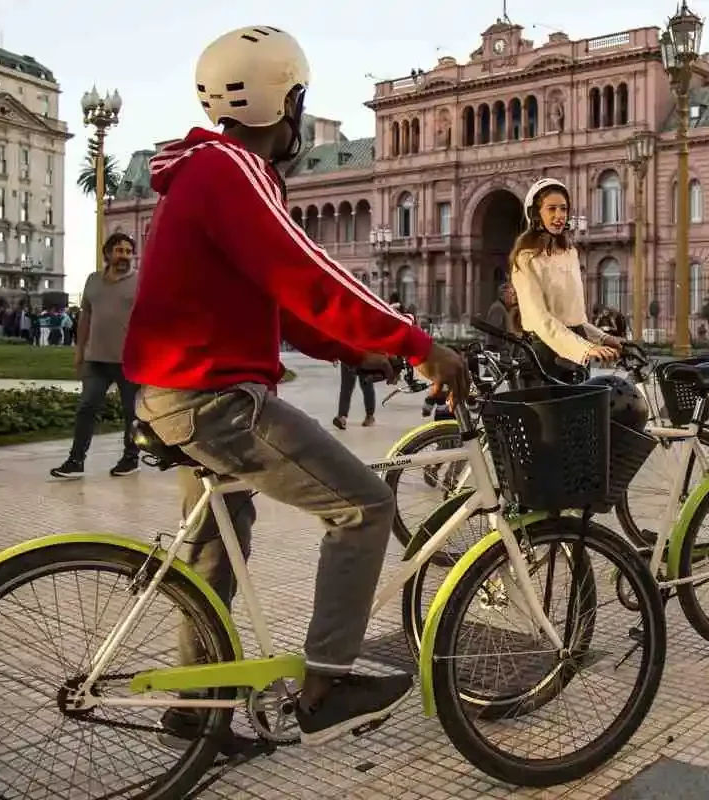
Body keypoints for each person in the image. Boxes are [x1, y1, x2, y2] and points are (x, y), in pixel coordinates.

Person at [121, 24, 466, 746]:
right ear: (288, 99)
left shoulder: (209, 169)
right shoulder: (229, 169)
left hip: (176, 393)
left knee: (218, 548)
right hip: (213, 401)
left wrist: (360, 353)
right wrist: (418, 343)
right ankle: (329, 680)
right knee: (365, 507)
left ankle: (197, 714)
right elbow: (305, 273)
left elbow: (284, 307)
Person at [50, 233, 143, 479]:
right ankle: (75, 460)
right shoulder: (92, 281)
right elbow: (86, 318)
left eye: (128, 251)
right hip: (96, 359)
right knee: (86, 407)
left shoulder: (140, 281)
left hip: (129, 361)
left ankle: (131, 458)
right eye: (119, 250)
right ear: (108, 254)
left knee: (131, 412)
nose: (124, 255)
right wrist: (80, 351)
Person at [510, 177, 621, 383]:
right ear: (536, 214)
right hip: (544, 355)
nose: (559, 215)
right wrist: (587, 348)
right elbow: (539, 319)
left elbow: (573, 318)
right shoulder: (526, 258)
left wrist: (603, 338)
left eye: (563, 209)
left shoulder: (570, 253)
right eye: (551, 209)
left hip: (576, 354)